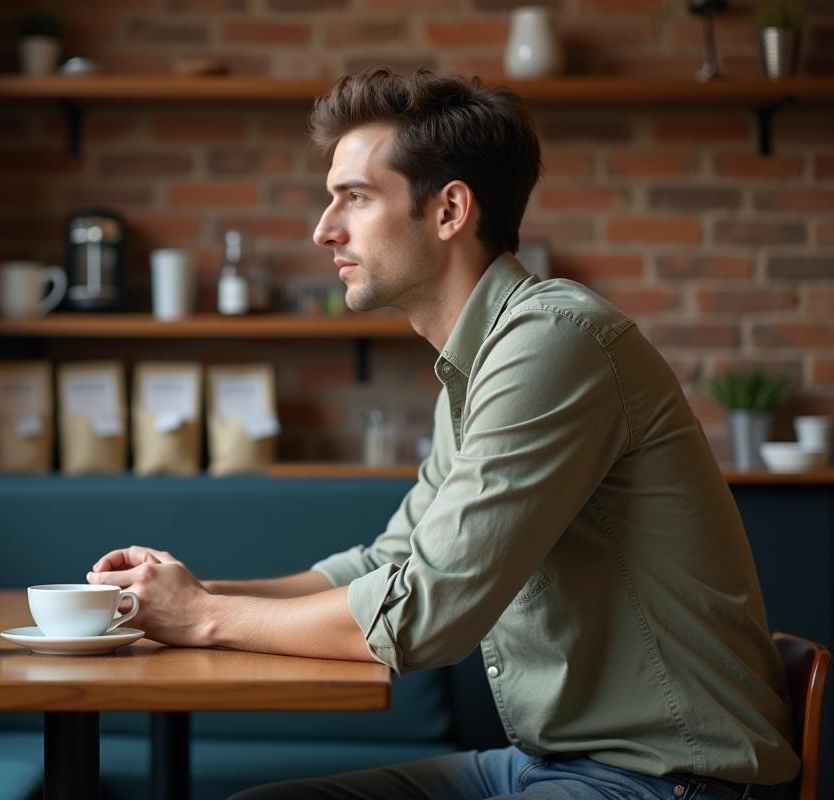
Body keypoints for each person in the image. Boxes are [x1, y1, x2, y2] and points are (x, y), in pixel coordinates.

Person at [86, 68, 798, 800]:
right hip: (553, 766)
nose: (323, 229)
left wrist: (203, 619)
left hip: (670, 778)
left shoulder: (552, 341)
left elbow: (423, 614)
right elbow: (386, 561)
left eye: (355, 198)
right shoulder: (477, 364)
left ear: (450, 209)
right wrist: (190, 595)